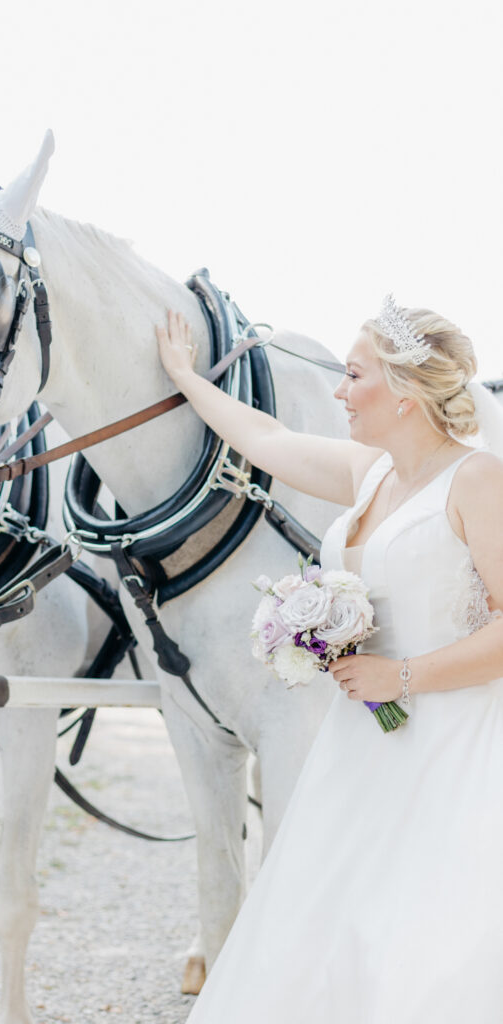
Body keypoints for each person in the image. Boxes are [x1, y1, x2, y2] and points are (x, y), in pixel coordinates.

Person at [156, 297, 503, 1024]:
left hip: (452, 746)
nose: (338, 392)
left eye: (352, 375)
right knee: (323, 920)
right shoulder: (371, 474)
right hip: (361, 745)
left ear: (406, 392)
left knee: (415, 937)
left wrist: (398, 677)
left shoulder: (477, 482)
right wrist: (185, 378)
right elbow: (266, 436)